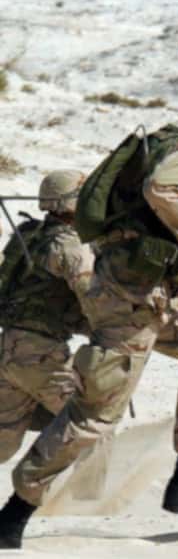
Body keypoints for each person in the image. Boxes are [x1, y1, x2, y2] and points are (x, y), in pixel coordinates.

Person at [0, 81, 178, 549]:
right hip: (130, 301)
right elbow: (164, 191)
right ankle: (13, 515)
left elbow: (167, 210)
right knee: (95, 416)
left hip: (155, 296)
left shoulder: (173, 143)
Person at [0, 171, 93, 464]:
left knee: (2, 443)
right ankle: (88, 493)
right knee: (91, 424)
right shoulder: (70, 246)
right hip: (42, 357)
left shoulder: (29, 236)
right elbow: (95, 299)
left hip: (8, 349)